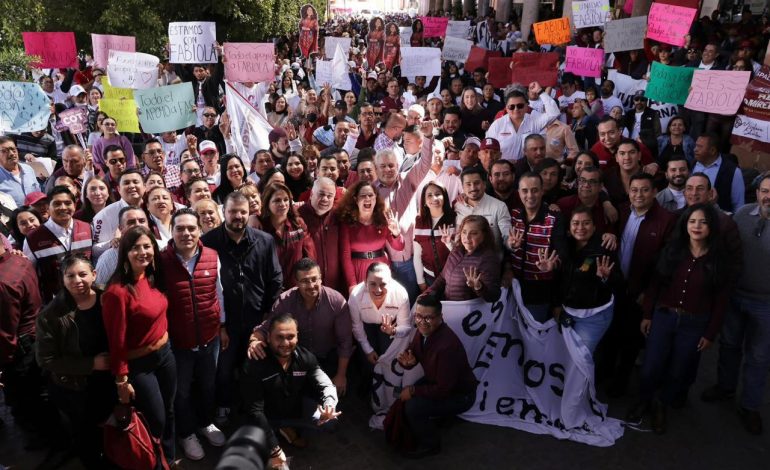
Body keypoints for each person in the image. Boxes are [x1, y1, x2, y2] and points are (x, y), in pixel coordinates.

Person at [627, 203, 729, 434]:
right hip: (664, 317)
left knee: (678, 369)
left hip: (695, 324)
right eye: (692, 221)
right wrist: (647, 314)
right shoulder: (673, 250)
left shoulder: (719, 260)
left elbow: (721, 301)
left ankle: (661, 405)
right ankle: (644, 400)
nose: (697, 226)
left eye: (703, 222)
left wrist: (710, 333)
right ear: (685, 224)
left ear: (711, 226)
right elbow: (655, 284)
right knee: (651, 365)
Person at [201, 191, 282, 426]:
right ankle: (224, 406)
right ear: (223, 212)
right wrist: (219, 324)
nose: (238, 216)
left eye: (243, 212)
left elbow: (275, 278)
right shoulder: (208, 242)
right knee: (224, 369)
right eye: (233, 211)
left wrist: (268, 316)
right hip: (225, 321)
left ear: (250, 213)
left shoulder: (264, 241)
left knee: (255, 366)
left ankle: (255, 408)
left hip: (258, 318)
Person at [701, 173, 770, 435]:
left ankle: (750, 406)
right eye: (764, 190)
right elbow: (722, 228)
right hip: (735, 296)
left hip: (766, 304)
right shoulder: (742, 213)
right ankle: (725, 388)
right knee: (729, 346)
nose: (768, 196)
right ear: (758, 192)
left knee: (759, 357)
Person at [102, 225, 177, 466]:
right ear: (125, 252)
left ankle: (169, 459)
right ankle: (153, 462)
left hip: (165, 355)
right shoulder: (117, 292)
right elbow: (117, 340)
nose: (143, 252)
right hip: (140, 365)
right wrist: (122, 380)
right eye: (136, 248)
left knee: (170, 410)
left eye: (147, 246)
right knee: (156, 419)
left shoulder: (153, 277)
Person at [35, 254, 115, 469]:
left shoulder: (107, 299)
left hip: (109, 379)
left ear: (94, 274)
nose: (77, 280)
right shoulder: (50, 315)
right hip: (75, 387)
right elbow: (46, 359)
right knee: (85, 433)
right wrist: (91, 364)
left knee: (110, 426)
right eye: (70, 276)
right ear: (62, 279)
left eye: (82, 274)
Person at [159, 209, 227, 460]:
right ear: (172, 231)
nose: (186, 233)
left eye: (191, 228)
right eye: (180, 228)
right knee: (182, 391)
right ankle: (187, 433)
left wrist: (222, 325)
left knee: (208, 386)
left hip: (210, 338)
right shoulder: (161, 261)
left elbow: (218, 293)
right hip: (179, 342)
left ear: (199, 230)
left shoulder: (211, 255)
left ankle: (206, 422)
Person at [602, 173, 676, 397]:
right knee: (610, 335)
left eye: (645, 190)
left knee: (631, 341)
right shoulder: (621, 211)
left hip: (640, 292)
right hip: (615, 286)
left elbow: (666, 263)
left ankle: (620, 384)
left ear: (654, 192)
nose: (639, 195)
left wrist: (649, 293)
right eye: (634, 190)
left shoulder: (667, 220)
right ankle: (603, 376)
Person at [241, 313, 340, 469]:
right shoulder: (255, 363)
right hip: (264, 418)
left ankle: (286, 429)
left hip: (293, 410)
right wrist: (274, 449)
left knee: (330, 422)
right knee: (262, 461)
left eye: (290, 337)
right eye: (279, 337)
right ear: (268, 337)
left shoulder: (305, 357)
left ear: (297, 337)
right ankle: (276, 436)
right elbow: (254, 410)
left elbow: (325, 384)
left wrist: (329, 404)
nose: (285, 343)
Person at [249, 258, 352, 395]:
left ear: (321, 279)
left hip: (327, 357)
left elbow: (345, 341)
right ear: (296, 283)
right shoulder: (285, 301)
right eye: (304, 281)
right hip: (296, 358)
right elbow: (266, 328)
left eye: (314, 279)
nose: (311, 285)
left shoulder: (336, 301)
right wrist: (254, 341)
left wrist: (341, 375)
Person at [396, 295, 477, 458]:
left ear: (440, 318)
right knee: (411, 394)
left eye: (428, 318)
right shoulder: (423, 331)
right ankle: (445, 417)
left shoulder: (447, 347)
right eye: (418, 316)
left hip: (460, 395)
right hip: (440, 382)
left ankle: (431, 445)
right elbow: (414, 355)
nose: (422, 322)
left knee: (413, 407)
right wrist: (408, 362)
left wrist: (412, 391)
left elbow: (442, 391)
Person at [555, 207, 621, 353]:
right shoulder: (565, 246)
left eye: (586, 223)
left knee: (581, 358)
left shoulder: (605, 247)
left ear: (594, 226)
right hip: (568, 312)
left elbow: (618, 282)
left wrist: (605, 278)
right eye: (575, 223)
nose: (580, 228)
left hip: (594, 316)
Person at [0, 235, 45, 444]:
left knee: (25, 399)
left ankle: (42, 440)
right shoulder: (20, 260)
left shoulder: (3, 281)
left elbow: (6, 330)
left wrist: (6, 360)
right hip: (34, 335)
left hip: (20, 346)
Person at [506, 172, 568, 322]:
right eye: (525, 191)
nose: (530, 195)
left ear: (542, 191)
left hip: (540, 292)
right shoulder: (513, 215)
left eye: (534, 190)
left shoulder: (554, 218)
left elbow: (563, 256)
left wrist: (553, 265)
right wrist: (510, 246)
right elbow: (504, 247)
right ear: (518, 192)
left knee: (534, 334)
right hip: (512, 287)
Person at [23, 186, 93, 303]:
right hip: (55, 303)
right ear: (48, 208)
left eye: (67, 203)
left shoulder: (87, 228)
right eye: (57, 204)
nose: (63, 207)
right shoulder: (33, 238)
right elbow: (30, 275)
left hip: (86, 297)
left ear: (74, 205)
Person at [338, 181, 405, 293]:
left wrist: (396, 234)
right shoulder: (347, 223)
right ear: (355, 199)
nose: (367, 198)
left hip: (381, 268)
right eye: (363, 196)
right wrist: (352, 284)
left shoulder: (383, 219)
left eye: (370, 195)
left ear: (375, 198)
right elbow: (345, 257)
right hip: (358, 270)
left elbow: (399, 247)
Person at [425, 215, 501, 302]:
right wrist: (429, 292)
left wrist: (479, 287)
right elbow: (443, 277)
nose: (467, 237)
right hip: (449, 308)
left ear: (484, 235)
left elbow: (494, 296)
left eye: (474, 233)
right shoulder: (456, 251)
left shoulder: (488, 259)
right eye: (464, 232)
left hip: (471, 313)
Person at [348, 262, 411, 368]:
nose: (378, 290)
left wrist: (393, 331)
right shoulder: (355, 296)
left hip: (390, 327)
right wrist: (368, 350)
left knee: (389, 358)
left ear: (390, 282)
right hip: (366, 326)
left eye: (383, 284)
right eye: (373, 284)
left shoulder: (401, 294)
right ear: (365, 282)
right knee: (366, 361)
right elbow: (356, 326)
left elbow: (406, 327)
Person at [259, 183, 316, 289]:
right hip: (269, 291)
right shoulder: (260, 227)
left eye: (286, 199)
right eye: (277, 200)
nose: (283, 204)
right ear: (267, 203)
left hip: (296, 289)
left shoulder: (298, 224)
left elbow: (309, 255)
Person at [485, 83, 560, 161]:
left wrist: (540, 91)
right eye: (511, 106)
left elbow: (554, 113)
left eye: (520, 106)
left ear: (527, 106)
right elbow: (487, 149)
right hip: (504, 170)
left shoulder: (534, 119)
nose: (516, 109)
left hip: (528, 170)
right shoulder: (497, 125)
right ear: (506, 108)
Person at [297, 177, 344, 292]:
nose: (325, 199)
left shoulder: (339, 216)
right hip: (308, 287)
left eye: (330, 196)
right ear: (312, 194)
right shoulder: (298, 216)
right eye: (321, 194)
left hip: (336, 287)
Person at [92, 169, 147, 259]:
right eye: (126, 183)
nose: (132, 186)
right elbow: (94, 250)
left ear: (145, 187)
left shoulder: (152, 208)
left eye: (135, 182)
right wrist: (112, 243)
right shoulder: (105, 215)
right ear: (119, 189)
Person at [455, 167, 512, 251]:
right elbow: (457, 239)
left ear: (484, 184)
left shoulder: (499, 206)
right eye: (468, 184)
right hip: (464, 261)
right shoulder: (458, 206)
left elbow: (507, 236)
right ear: (463, 187)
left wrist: (511, 244)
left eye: (477, 183)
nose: (473, 188)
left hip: (491, 261)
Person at [413, 181, 455, 291]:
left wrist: (449, 243)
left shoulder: (454, 218)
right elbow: (417, 255)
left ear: (444, 196)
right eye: (429, 195)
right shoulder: (419, 221)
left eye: (438, 194)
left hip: (452, 276)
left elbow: (459, 252)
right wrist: (420, 281)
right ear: (424, 201)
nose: (434, 198)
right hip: (429, 278)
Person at [94, 206, 149, 287]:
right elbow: (99, 288)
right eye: (131, 222)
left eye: (142, 221)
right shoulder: (109, 257)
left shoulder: (158, 249)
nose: (137, 225)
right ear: (121, 228)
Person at [692, 134, 745, 213]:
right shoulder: (692, 164)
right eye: (696, 146)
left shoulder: (733, 171)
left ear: (712, 150)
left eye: (700, 147)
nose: (695, 149)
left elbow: (738, 206)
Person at [0, 136, 41, 206]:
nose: (11, 153)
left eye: (13, 149)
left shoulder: (28, 169)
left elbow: (38, 193)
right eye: (5, 151)